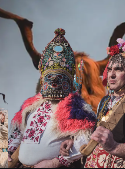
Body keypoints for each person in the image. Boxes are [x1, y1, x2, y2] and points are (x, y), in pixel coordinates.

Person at [61, 38, 125, 168]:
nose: (111, 75)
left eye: (119, 69)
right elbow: (96, 138)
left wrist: (114, 147)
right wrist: (71, 147)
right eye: (109, 69)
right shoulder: (104, 102)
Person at [7, 28, 97, 168]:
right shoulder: (30, 106)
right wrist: (9, 152)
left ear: (68, 81)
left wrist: (56, 162)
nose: (54, 81)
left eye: (59, 77)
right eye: (49, 77)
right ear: (43, 79)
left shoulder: (77, 108)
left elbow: (87, 138)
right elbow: (18, 131)